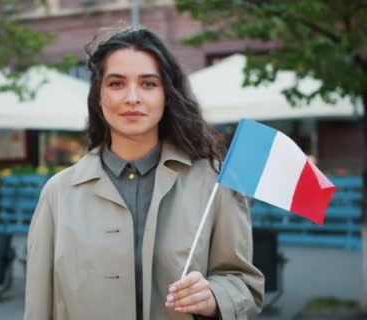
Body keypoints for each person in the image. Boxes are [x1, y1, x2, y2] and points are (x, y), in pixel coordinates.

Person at [25, 26, 264, 320]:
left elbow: (245, 286)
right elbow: (38, 307)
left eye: (149, 84)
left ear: (167, 95)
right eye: (116, 83)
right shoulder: (58, 194)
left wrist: (215, 296)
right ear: (98, 96)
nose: (132, 97)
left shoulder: (215, 182)